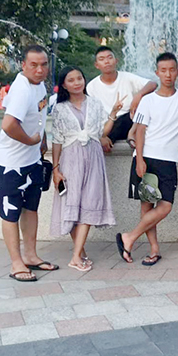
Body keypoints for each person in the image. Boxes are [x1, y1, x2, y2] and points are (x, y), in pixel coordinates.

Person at [116, 52, 178, 266]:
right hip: (147, 158)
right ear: (157, 72)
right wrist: (140, 160)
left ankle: (129, 237)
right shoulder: (148, 100)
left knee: (165, 206)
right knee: (147, 207)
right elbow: (140, 131)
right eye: (163, 70)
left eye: (172, 70)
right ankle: (154, 250)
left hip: (168, 161)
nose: (168, 74)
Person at [0, 45, 57, 282]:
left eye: (44, 64)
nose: (40, 70)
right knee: (10, 213)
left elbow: (39, 116)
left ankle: (30, 255)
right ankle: (16, 263)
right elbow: (8, 125)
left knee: (31, 209)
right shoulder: (21, 89)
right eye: (34, 65)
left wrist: (42, 140)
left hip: (32, 160)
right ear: (23, 65)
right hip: (10, 162)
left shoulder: (38, 85)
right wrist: (30, 140)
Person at [50, 67, 121, 272]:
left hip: (94, 157)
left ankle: (76, 256)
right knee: (73, 204)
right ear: (64, 85)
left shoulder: (95, 104)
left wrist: (113, 114)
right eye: (71, 80)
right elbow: (57, 140)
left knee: (89, 202)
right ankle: (78, 254)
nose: (77, 83)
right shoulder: (60, 108)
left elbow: (101, 132)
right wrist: (56, 168)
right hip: (71, 159)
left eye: (79, 78)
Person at [87, 46, 157, 152]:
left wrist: (139, 95)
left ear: (116, 61)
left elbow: (152, 84)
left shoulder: (127, 78)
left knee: (135, 111)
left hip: (130, 121)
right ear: (97, 65)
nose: (107, 61)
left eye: (110, 57)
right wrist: (101, 136)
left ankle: (121, 136)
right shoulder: (92, 87)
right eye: (102, 59)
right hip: (108, 125)